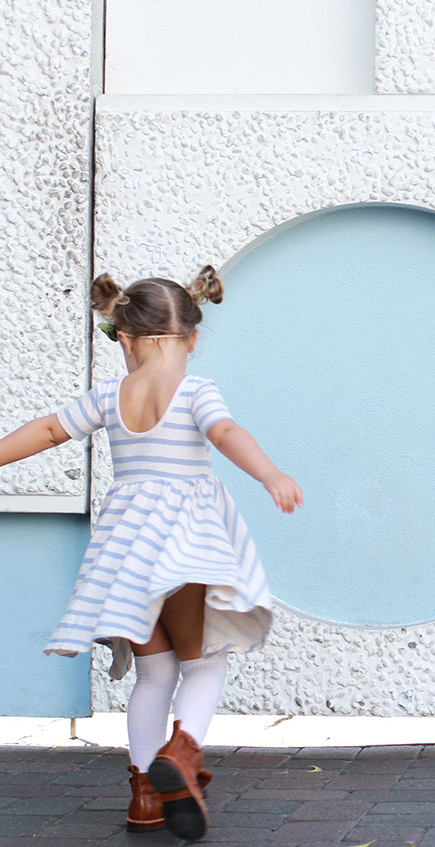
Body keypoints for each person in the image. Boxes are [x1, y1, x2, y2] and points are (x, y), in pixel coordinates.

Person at [0, 266, 302, 841]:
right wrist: (270, 473)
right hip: (183, 545)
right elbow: (226, 433)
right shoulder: (195, 390)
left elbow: (45, 431)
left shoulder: (110, 396)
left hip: (125, 549)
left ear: (127, 339)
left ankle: (144, 795)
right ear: (189, 336)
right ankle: (182, 756)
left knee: (154, 671)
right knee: (204, 662)